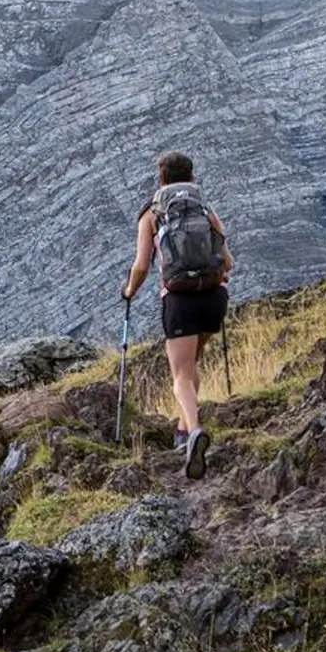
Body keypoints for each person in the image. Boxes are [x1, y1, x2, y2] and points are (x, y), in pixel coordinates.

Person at [121, 151, 232, 480]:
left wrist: (129, 291)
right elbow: (228, 262)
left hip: (179, 299)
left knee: (181, 375)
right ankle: (183, 434)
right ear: (192, 176)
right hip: (213, 297)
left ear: (161, 179)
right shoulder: (205, 209)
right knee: (193, 363)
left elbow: (142, 265)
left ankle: (194, 429)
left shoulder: (152, 214)